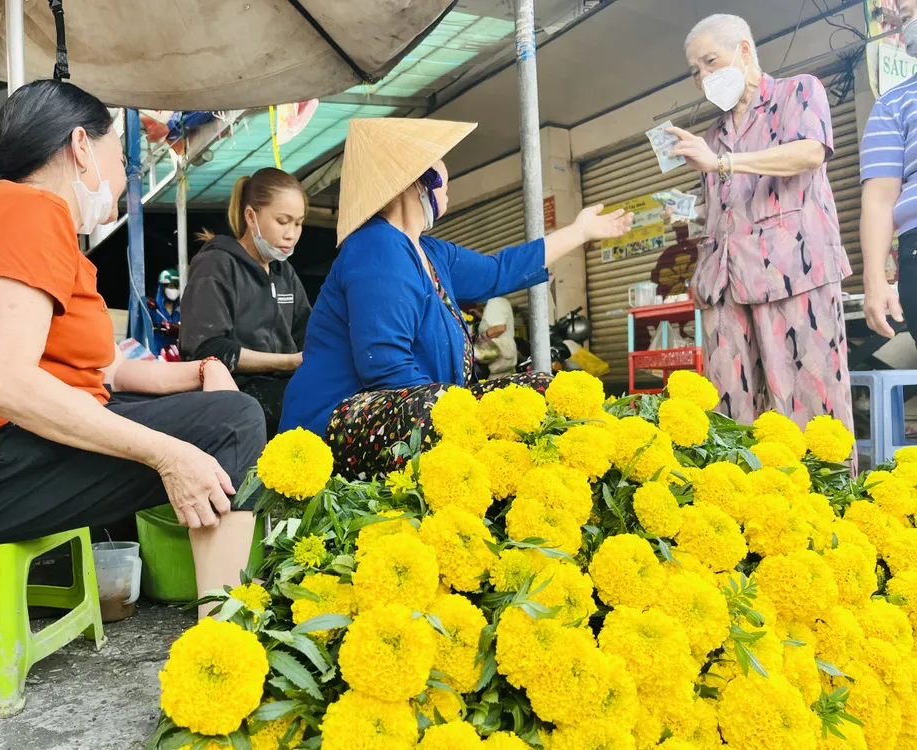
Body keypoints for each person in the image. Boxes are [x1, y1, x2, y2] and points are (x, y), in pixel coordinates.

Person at [0, 79, 267, 617]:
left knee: (219, 412)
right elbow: (0, 381)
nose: (125, 177)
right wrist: (168, 453)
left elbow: (108, 371)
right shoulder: (25, 209)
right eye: (119, 157)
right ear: (81, 145)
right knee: (233, 424)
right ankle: (224, 632)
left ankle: (223, 610)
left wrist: (203, 372)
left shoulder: (21, 218)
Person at [279, 118, 632, 476]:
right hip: (337, 422)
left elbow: (498, 271)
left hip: (414, 406)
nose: (449, 186)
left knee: (541, 390)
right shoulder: (375, 247)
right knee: (449, 407)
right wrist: (464, 420)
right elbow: (386, 365)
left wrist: (580, 232)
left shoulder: (432, 253)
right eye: (442, 171)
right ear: (421, 181)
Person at [666, 14, 854, 433]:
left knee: (809, 406)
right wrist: (687, 211)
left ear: (744, 50)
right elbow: (726, 204)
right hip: (724, 284)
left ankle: (819, 479)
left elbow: (809, 153)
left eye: (711, 62)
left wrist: (723, 163)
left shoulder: (798, 92)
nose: (704, 77)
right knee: (730, 415)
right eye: (695, 71)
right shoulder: (713, 135)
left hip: (794, 273)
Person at [181, 169, 311, 438]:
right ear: (251, 216)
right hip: (235, 398)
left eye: (298, 223)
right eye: (282, 221)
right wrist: (288, 362)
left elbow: (307, 335)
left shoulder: (284, 273)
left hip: (286, 390)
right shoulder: (216, 264)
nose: (291, 234)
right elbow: (208, 350)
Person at [860, 0, 917, 340]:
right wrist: (874, 280)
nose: (909, 22)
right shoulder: (893, 104)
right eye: (906, 16)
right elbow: (879, 199)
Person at [149, 268, 181, 356]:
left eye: (177, 287)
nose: (175, 290)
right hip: (157, 353)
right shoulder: (152, 307)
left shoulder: (181, 309)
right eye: (171, 286)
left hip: (175, 354)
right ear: (162, 287)